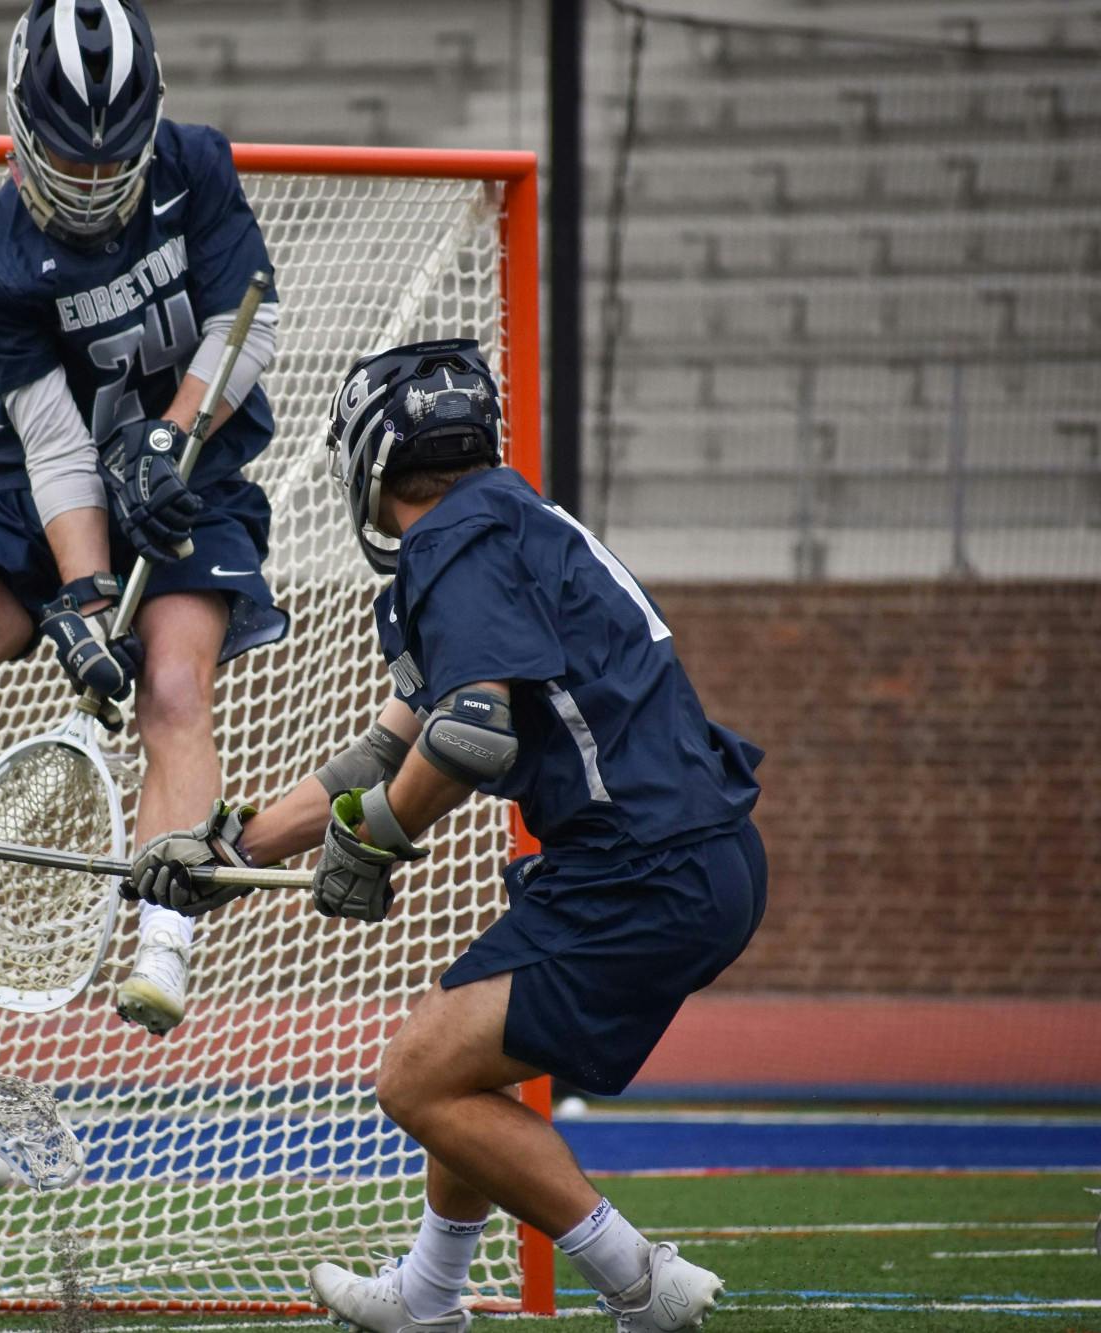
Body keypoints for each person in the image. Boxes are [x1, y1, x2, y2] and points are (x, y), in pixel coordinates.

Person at [124, 340, 768, 1332]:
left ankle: (639, 1283)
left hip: (642, 867)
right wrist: (236, 851)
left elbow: (468, 734)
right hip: (668, 855)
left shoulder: (455, 540)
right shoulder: (505, 520)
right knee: (458, 1054)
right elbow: (388, 750)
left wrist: (372, 841)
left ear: (375, 458)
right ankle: (426, 1296)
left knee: (413, 1076)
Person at [0, 0, 286, 1070]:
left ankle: (162, 934)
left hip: (187, 479)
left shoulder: (195, 169)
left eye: (113, 155)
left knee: (173, 688)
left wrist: (168, 439)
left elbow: (250, 323)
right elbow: (53, 444)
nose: (96, 178)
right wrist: (87, 597)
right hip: (46, 493)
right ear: (20, 122)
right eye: (70, 151)